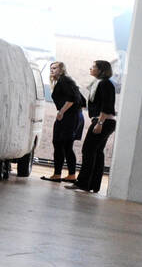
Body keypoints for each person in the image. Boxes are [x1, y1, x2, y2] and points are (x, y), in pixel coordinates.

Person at [67, 60, 117, 194]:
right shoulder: (99, 83)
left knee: (88, 150)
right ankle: (93, 184)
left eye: (94, 67)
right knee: (97, 152)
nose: (91, 68)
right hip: (105, 121)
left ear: (101, 70)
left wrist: (99, 123)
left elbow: (107, 105)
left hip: (104, 121)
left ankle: (83, 183)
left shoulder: (105, 84)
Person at [41, 61, 83, 182]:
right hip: (70, 116)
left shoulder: (64, 81)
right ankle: (60, 174)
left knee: (64, 145)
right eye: (51, 68)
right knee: (60, 144)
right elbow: (81, 99)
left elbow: (73, 98)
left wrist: (62, 111)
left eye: (54, 68)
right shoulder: (65, 81)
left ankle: (68, 175)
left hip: (69, 117)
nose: (52, 70)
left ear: (61, 69)